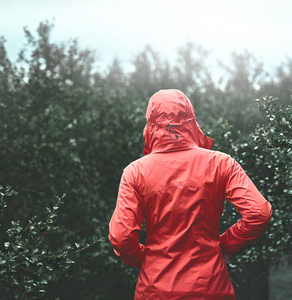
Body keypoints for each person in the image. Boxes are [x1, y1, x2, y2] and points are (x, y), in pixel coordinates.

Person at [109, 89, 272, 299]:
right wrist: (226, 245)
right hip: (211, 286)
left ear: (150, 123)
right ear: (191, 120)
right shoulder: (221, 163)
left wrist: (144, 258)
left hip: (156, 289)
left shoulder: (135, 172)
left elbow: (122, 238)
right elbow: (259, 212)